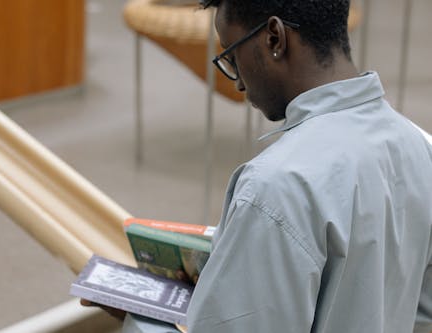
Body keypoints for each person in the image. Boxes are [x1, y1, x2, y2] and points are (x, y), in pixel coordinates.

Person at [85, 0, 432, 332]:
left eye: (231, 56)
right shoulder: (417, 145)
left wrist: (139, 317)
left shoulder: (274, 187)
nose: (236, 81)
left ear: (274, 38)